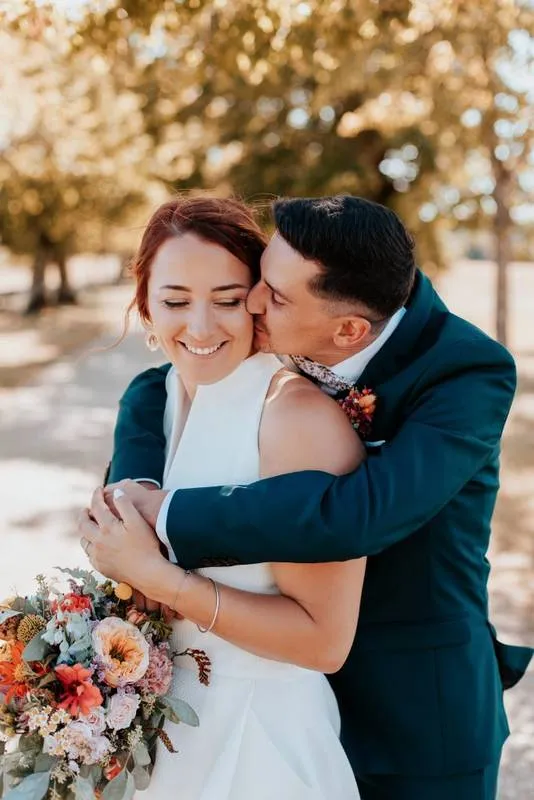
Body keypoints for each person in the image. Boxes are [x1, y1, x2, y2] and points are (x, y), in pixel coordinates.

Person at [89, 194, 533, 800]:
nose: (250, 303)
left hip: (414, 712)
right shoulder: (171, 389)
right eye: (259, 279)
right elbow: (160, 395)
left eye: (268, 295)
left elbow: (356, 513)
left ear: (349, 330)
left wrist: (164, 522)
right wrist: (135, 488)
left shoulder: (462, 374)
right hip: (245, 701)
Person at [80, 196, 365, 799]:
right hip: (162, 740)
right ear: (145, 307)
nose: (202, 326)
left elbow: (325, 641)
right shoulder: (157, 397)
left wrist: (161, 582)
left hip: (260, 742)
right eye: (177, 301)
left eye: (228, 300)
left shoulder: (295, 421)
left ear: (260, 300)